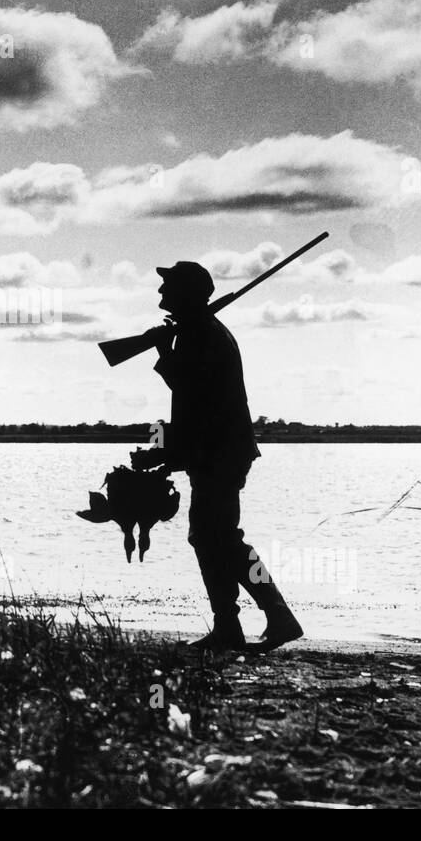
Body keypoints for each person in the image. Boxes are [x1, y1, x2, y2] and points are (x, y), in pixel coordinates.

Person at [136, 260, 303, 655]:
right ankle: (231, 625)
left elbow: (194, 395)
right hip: (216, 453)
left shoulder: (201, 334)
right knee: (213, 538)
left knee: (220, 538)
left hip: (221, 455)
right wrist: (169, 454)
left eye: (168, 288)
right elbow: (194, 407)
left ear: (186, 294)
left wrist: (163, 352)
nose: (161, 295)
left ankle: (274, 616)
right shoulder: (199, 332)